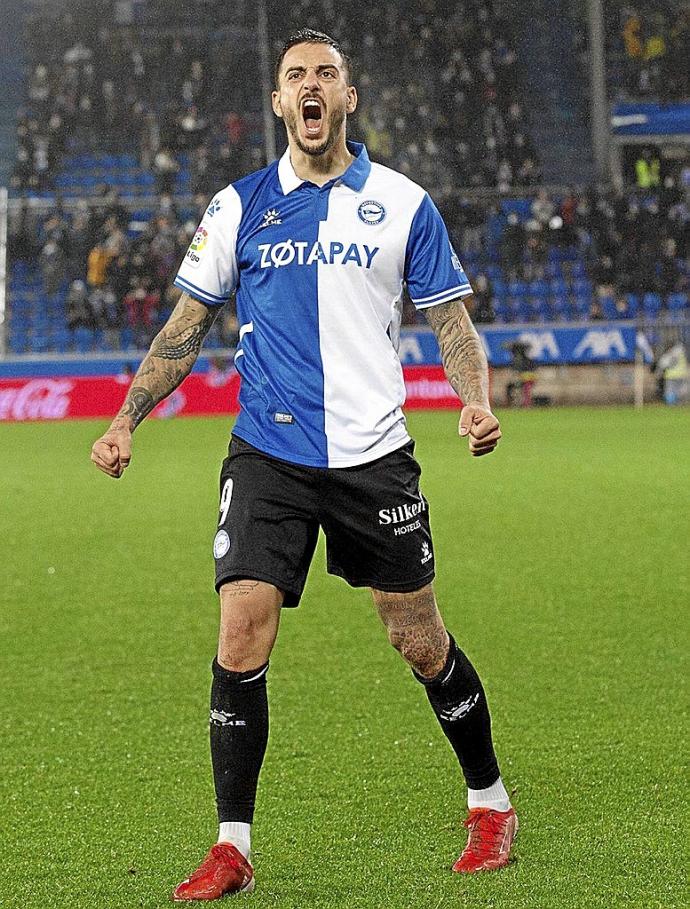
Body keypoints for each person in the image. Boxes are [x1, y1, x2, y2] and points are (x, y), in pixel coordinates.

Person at [90, 30, 516, 901]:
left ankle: (489, 799)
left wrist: (474, 396)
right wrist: (127, 417)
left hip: (374, 457)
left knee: (418, 639)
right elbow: (185, 327)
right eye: (296, 78)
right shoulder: (238, 206)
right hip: (268, 453)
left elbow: (451, 323)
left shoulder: (403, 203)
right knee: (240, 631)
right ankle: (232, 845)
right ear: (280, 104)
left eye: (327, 75)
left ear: (348, 99)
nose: (312, 88)